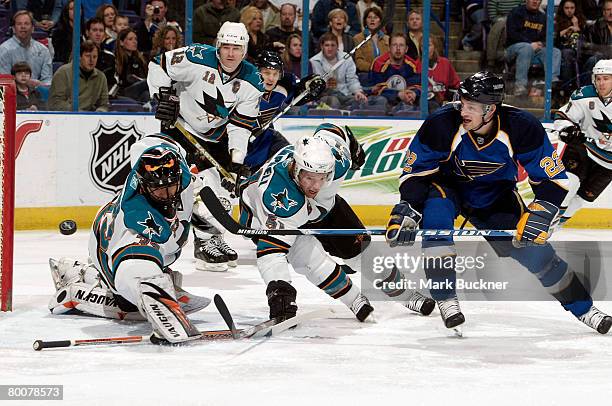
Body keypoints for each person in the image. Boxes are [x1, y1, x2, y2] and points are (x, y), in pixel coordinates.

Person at [385, 71, 612, 335]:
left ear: (490, 109)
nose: (463, 110)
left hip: (495, 195)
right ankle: (446, 299)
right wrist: (409, 207)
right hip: (448, 187)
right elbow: (416, 172)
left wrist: (542, 210)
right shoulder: (442, 123)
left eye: (471, 106)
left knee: (538, 254)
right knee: (436, 222)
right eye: (462, 102)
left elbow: (553, 179)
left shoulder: (521, 126)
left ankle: (584, 308)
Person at [47, 136, 207, 344]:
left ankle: (81, 272)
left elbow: (159, 144)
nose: (167, 193)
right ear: (143, 185)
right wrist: (161, 304)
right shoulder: (136, 218)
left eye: (171, 186)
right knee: (133, 303)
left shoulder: (179, 177)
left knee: (165, 278)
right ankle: (76, 289)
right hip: (109, 249)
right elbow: (133, 266)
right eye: (159, 189)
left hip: (142, 246)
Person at [148, 22, 267, 271]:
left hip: (215, 137)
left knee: (222, 192)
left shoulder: (253, 80)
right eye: (226, 47)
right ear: (217, 46)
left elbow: (240, 126)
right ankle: (202, 244)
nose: (230, 53)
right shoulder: (196, 57)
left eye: (236, 48)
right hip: (179, 128)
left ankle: (213, 237)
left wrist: (236, 163)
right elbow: (158, 65)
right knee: (196, 188)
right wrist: (163, 98)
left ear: (244, 50)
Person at [238, 135, 374, 322]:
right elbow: (271, 253)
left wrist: (352, 144)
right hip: (259, 214)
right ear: (296, 168)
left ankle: (358, 299)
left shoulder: (338, 162)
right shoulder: (277, 196)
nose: (316, 186)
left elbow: (330, 131)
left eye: (322, 178)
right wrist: (279, 291)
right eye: (309, 178)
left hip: (310, 209)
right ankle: (353, 298)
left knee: (357, 250)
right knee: (310, 260)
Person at [554, 59, 612, 227]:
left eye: (606, 78)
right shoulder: (584, 95)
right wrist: (568, 129)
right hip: (584, 148)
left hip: (608, 162)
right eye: (598, 78)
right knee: (569, 183)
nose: (601, 83)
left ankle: (554, 228)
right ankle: (544, 222)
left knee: (582, 199)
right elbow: (563, 117)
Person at [245, 50, 325, 171]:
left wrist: (314, 84)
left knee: (293, 163)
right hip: (239, 140)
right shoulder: (243, 86)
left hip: (267, 138)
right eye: (266, 73)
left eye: (275, 74)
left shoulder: (284, 85)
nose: (271, 78)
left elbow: (301, 93)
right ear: (257, 71)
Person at [505, 0, 561, 96]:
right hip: (514, 48)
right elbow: (512, 34)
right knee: (526, 48)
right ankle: (520, 86)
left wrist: (541, 43)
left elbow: (547, 37)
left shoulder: (543, 17)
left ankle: (552, 83)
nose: (535, 1)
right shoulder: (516, 12)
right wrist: (530, 43)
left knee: (555, 51)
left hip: (535, 49)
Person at [48, 40, 109, 111]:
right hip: (67, 117)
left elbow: (104, 104)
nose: (91, 60)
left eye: (95, 57)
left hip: (91, 119)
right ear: (79, 57)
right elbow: (55, 103)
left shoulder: (101, 77)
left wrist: (100, 111)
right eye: (87, 56)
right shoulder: (63, 73)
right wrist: (78, 113)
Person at [368, 33, 421, 112]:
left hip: (407, 100)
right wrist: (398, 94)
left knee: (425, 101)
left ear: (406, 49)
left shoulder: (414, 65)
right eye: (394, 45)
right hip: (385, 100)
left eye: (401, 45)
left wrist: (413, 93)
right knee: (380, 100)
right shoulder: (379, 63)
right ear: (389, 47)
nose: (398, 48)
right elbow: (375, 90)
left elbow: (417, 86)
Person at [0, 10, 52, 86]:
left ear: (33, 28)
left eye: (26, 23)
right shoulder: (4, 49)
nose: (23, 27)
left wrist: (39, 87)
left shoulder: (43, 50)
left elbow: (48, 79)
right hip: (14, 94)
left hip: (37, 93)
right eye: (19, 24)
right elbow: (5, 81)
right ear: (14, 29)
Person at [115, 28, 149, 103]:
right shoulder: (117, 59)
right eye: (130, 39)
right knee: (148, 82)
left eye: (136, 39)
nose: (134, 42)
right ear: (121, 42)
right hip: (124, 91)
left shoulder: (140, 59)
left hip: (138, 90)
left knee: (146, 95)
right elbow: (126, 79)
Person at [353, 7, 389, 73]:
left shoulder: (387, 39)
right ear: (365, 21)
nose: (372, 20)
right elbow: (359, 62)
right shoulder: (358, 38)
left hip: (385, 73)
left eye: (375, 17)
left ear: (380, 22)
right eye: (369, 17)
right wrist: (374, 67)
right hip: (367, 74)